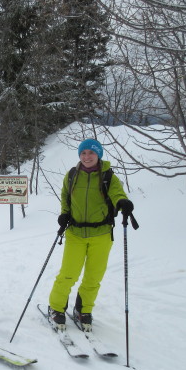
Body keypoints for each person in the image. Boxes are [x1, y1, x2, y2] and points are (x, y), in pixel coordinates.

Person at [47, 138, 134, 332]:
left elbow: (117, 194)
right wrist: (64, 213)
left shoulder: (108, 177)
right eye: (83, 153)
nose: (87, 157)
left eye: (91, 153)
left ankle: (84, 309)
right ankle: (56, 307)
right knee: (68, 274)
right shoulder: (71, 175)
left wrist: (123, 203)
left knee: (94, 276)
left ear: (98, 155)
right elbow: (65, 197)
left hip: (101, 234)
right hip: (75, 233)